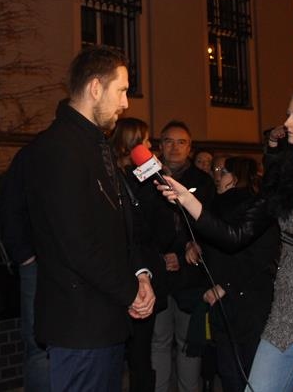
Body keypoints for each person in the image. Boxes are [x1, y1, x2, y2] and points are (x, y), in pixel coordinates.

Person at [157, 85, 293, 392]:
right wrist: (188, 201)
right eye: (288, 115)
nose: (286, 123)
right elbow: (236, 236)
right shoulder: (283, 178)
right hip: (285, 319)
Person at [22, 46, 155, 392]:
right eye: (121, 90)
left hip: (107, 321)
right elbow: (76, 243)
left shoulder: (97, 144)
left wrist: (140, 274)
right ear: (96, 88)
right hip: (79, 328)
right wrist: (130, 292)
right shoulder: (57, 149)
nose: (126, 102)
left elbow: (120, 226)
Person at [198, 156, 279, 392]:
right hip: (234, 302)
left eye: (222, 171)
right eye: (216, 170)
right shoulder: (222, 205)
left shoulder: (247, 208)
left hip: (244, 301)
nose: (216, 176)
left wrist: (225, 285)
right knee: (236, 371)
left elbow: (258, 255)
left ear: (236, 177)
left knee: (241, 372)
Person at [151, 120, 215, 392]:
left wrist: (189, 248)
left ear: (190, 147)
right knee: (159, 341)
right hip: (157, 274)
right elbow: (141, 226)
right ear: (160, 145)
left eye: (181, 142)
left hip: (191, 277)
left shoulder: (203, 182)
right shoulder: (148, 179)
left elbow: (210, 225)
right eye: (169, 141)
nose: (175, 148)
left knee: (189, 343)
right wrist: (158, 257)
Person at [111, 117, 173, 392]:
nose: (151, 146)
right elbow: (152, 229)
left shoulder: (130, 177)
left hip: (131, 271)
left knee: (133, 354)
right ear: (132, 144)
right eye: (146, 141)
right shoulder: (129, 180)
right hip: (133, 272)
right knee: (135, 353)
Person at [0, 145, 50, 392]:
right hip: (38, 264)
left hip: (71, 265)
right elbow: (9, 204)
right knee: (38, 342)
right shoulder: (34, 153)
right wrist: (24, 255)